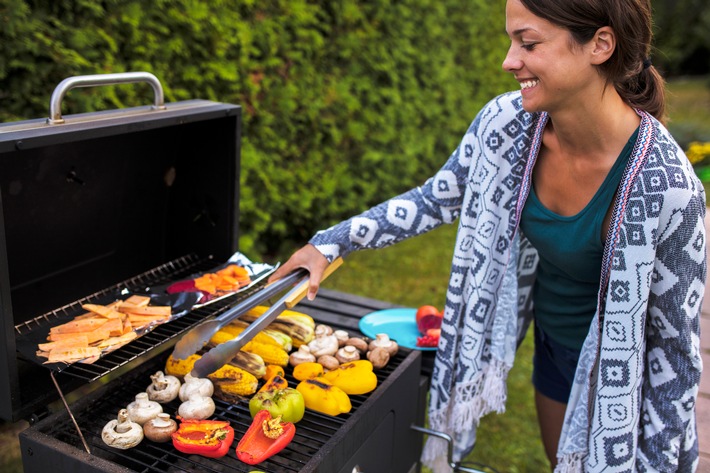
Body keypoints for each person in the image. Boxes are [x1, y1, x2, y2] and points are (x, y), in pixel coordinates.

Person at [268, 0, 705, 471]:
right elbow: (435, 198)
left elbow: (675, 351)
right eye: (510, 40)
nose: (509, 60)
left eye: (528, 42)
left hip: (626, 380)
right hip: (555, 354)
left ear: (600, 44)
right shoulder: (507, 124)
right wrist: (330, 242)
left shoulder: (668, 188)